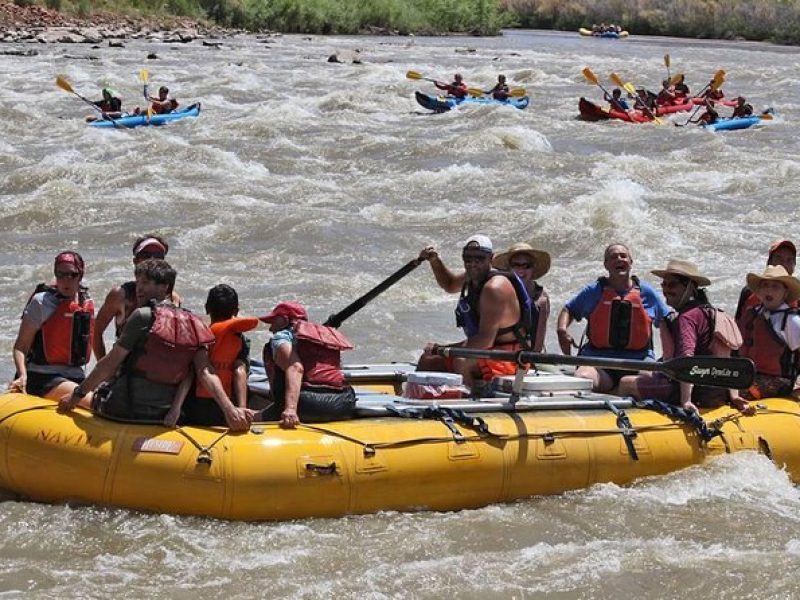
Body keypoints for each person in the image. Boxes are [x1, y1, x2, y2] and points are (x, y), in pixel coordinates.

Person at [58, 259, 252, 431]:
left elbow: (110, 363)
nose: (138, 288)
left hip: (124, 409)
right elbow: (204, 372)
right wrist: (230, 409)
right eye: (138, 282)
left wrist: (75, 396)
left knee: (68, 393)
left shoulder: (142, 316)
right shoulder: (195, 322)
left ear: (164, 287)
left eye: (146, 283)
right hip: (164, 413)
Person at [618, 259, 754, 414]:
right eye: (664, 285)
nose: (666, 290)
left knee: (625, 383)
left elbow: (686, 359)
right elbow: (725, 358)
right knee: (643, 372)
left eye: (672, 285)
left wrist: (686, 401)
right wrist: (733, 396)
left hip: (696, 391)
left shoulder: (687, 318)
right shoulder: (711, 312)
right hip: (715, 391)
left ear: (690, 287)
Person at [416, 235, 533, 390]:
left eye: (479, 258)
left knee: (461, 359)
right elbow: (449, 285)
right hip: (488, 352)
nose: (472, 263)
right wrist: (434, 261)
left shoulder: (495, 288)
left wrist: (442, 349)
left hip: (509, 358)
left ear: (491, 259)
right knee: (427, 360)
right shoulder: (472, 275)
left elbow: (485, 341)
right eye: (467, 258)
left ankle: (468, 399)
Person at [556, 243, 672, 392]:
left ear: (631, 262)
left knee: (654, 384)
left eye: (623, 256)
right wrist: (562, 330)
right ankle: (619, 390)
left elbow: (667, 321)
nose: (619, 259)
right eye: (613, 257)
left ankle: (621, 389)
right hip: (598, 362)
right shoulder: (594, 290)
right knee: (584, 379)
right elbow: (569, 309)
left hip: (640, 362)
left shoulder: (647, 292)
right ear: (606, 265)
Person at [163, 284, 259, 427]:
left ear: (207, 308)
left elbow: (189, 373)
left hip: (197, 408)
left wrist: (175, 408)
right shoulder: (240, 339)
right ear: (237, 310)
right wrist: (241, 408)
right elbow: (240, 371)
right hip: (226, 407)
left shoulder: (199, 336)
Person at [9, 251, 94, 406]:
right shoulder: (41, 303)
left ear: (80, 275)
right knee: (96, 402)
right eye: (61, 275)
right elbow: (20, 347)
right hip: (43, 377)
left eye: (72, 275)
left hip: (75, 375)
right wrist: (22, 376)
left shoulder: (85, 303)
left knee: (110, 397)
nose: (66, 280)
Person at [260, 301, 356, 428]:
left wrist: (291, 409)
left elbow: (296, 367)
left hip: (307, 402)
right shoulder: (321, 336)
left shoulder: (281, 336)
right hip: (344, 402)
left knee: (258, 416)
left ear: (284, 320)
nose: (270, 328)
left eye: (273, 321)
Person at [93, 235, 180, 360]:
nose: (152, 259)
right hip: (124, 368)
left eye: (158, 256)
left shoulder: (172, 297)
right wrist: (105, 372)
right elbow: (97, 332)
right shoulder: (121, 295)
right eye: (146, 255)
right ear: (135, 261)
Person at [736, 265, 800, 400]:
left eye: (775, 287)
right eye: (765, 285)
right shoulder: (752, 314)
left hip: (779, 381)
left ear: (785, 293)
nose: (769, 290)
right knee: (715, 388)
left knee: (740, 392)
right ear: (759, 291)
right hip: (749, 374)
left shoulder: (791, 320)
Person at [492, 242, 551, 352]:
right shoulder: (499, 292)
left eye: (526, 266)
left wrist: (530, 361)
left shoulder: (542, 297)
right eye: (516, 265)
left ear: (533, 268)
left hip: (531, 355)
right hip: (501, 353)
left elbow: (539, 340)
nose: (521, 270)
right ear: (509, 268)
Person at [735, 239, 797, 320]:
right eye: (779, 258)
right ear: (769, 262)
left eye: (789, 260)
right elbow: (736, 326)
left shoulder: (798, 300)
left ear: (794, 266)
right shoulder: (748, 292)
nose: (784, 264)